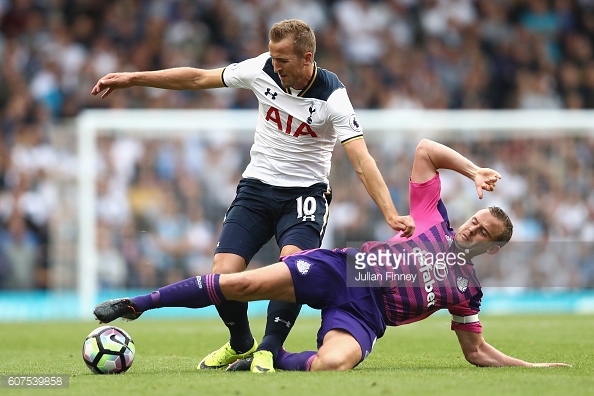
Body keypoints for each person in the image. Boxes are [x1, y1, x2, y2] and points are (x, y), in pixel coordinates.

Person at [91, 19, 415, 373]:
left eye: (284, 60)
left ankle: (269, 348)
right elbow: (199, 78)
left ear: (307, 58)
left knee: (291, 264)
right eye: (273, 57)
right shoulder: (261, 68)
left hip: (304, 195)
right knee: (224, 271)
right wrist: (133, 78)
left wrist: (390, 212)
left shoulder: (333, 97)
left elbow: (362, 159)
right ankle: (240, 342)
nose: (275, 66)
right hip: (256, 188)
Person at [94, 138, 569, 371]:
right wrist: (471, 171)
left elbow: (475, 351)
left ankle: (268, 358)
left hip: (366, 315)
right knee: (240, 283)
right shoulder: (432, 217)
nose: (472, 225)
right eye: (476, 218)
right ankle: (138, 305)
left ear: (490, 246)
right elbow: (425, 149)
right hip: (342, 269)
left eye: (482, 230)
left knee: (332, 365)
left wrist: (532, 369)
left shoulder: (468, 292)